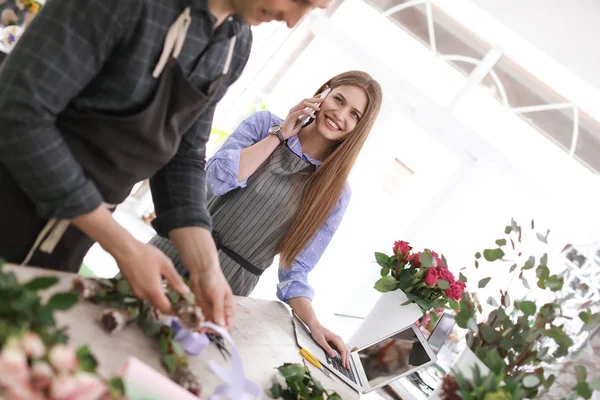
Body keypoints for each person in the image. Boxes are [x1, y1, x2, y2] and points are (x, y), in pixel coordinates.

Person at [0, 0, 332, 330]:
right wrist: (122, 245)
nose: (292, 21)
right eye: (301, 0)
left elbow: (182, 154)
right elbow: (18, 116)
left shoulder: (234, 43)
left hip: (70, 238)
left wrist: (205, 266)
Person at [150, 70, 383, 368]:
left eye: (354, 114)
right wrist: (281, 134)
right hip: (178, 246)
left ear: (358, 129)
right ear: (322, 93)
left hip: (227, 287)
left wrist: (315, 324)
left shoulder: (335, 193)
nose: (340, 115)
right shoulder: (264, 126)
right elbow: (217, 180)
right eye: (338, 100)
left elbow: (294, 270)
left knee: (168, 368)